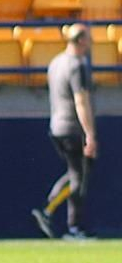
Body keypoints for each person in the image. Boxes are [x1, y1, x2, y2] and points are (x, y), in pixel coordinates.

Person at [33, 23, 99, 240]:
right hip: (72, 126)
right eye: (88, 38)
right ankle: (68, 223)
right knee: (79, 177)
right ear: (80, 40)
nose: (92, 42)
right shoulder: (76, 65)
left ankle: (52, 213)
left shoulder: (56, 62)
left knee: (75, 173)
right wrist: (89, 133)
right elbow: (81, 101)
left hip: (57, 125)